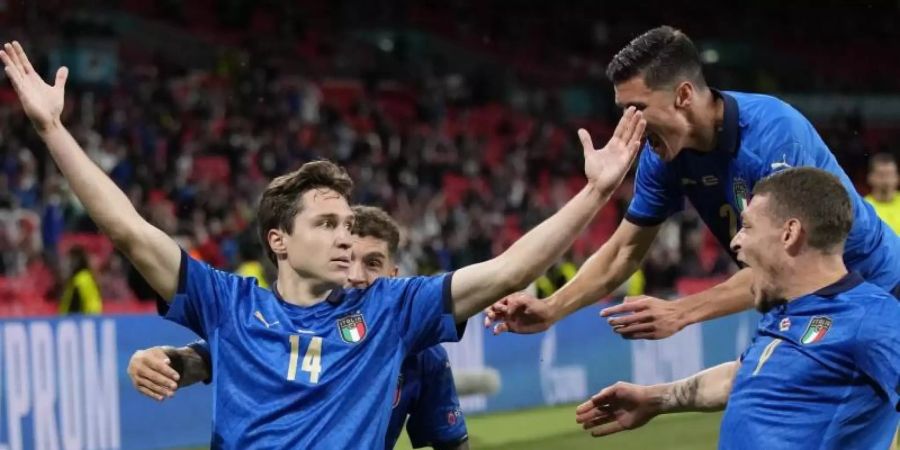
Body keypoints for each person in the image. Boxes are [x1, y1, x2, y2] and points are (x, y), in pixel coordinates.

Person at [0, 41, 646, 448]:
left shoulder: (393, 311)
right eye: (326, 225)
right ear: (279, 240)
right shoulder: (227, 304)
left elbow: (508, 271)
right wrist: (53, 129)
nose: (344, 238)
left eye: (347, 225)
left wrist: (593, 196)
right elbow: (129, 230)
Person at [485, 25, 900, 339]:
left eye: (638, 108)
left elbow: (780, 264)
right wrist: (551, 308)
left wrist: (682, 312)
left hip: (879, 289)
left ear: (683, 96)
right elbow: (623, 253)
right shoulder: (663, 154)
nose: (630, 124)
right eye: (622, 110)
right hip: (804, 304)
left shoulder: (773, 133)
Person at [575, 167, 900, 449]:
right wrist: (655, 399)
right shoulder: (786, 313)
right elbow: (740, 377)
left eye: (747, 227)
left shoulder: (873, 318)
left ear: (789, 234)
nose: (735, 241)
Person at [128, 205, 471, 450]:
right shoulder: (294, 324)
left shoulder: (424, 356)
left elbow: (450, 440)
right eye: (348, 260)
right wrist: (166, 360)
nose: (355, 275)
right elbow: (210, 357)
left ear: (394, 276)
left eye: (373, 264)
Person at [59, 245, 102, 314]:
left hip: (80, 322)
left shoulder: (81, 280)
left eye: (68, 260)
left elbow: (90, 306)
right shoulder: (80, 278)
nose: (65, 264)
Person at [865, 152, 900, 233]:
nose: (886, 180)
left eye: (890, 174)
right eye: (881, 175)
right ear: (870, 177)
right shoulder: (864, 208)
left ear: (897, 177)